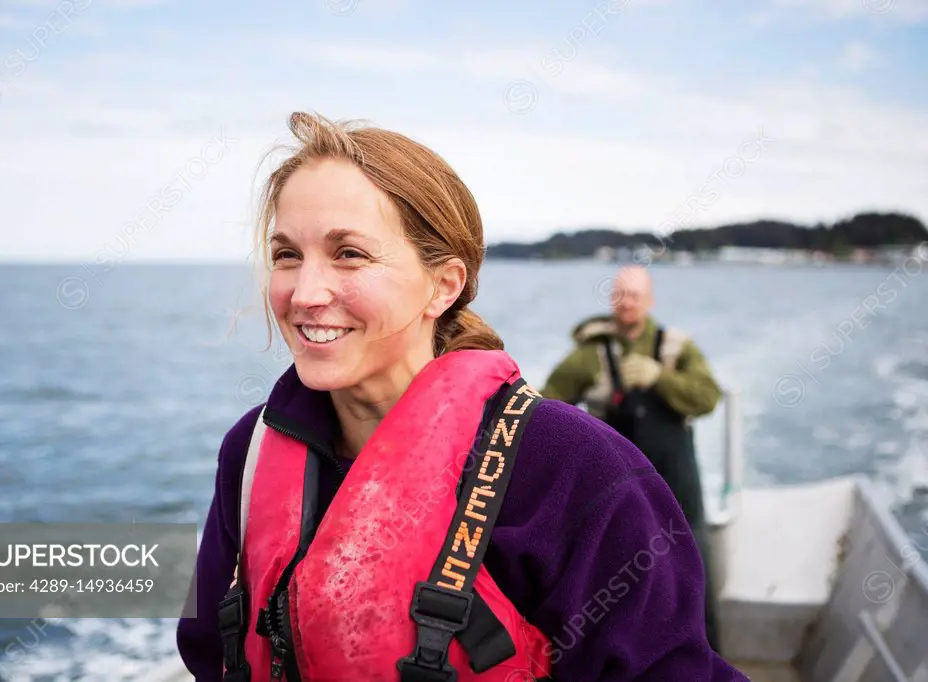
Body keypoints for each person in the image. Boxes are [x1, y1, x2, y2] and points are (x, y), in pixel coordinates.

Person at [176, 111, 747, 681]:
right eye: (286, 255)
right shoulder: (250, 453)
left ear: (443, 285)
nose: (304, 292)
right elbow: (209, 651)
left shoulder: (575, 468)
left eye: (349, 253)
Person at [541, 264, 724, 653]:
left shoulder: (676, 348)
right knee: (617, 584)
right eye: (621, 294)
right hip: (616, 492)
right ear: (612, 299)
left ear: (650, 300)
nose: (627, 303)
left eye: (635, 296)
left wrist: (660, 378)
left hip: (679, 488)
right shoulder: (590, 354)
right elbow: (548, 405)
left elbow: (709, 397)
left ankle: (707, 661)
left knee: (694, 578)